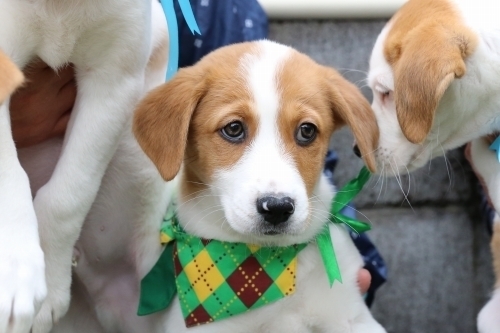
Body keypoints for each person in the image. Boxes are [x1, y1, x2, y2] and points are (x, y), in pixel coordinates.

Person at [9, 0, 382, 299]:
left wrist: (346, 267)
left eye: (305, 132)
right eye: (234, 129)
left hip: (143, 275)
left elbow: (285, 124)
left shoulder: (217, 12)